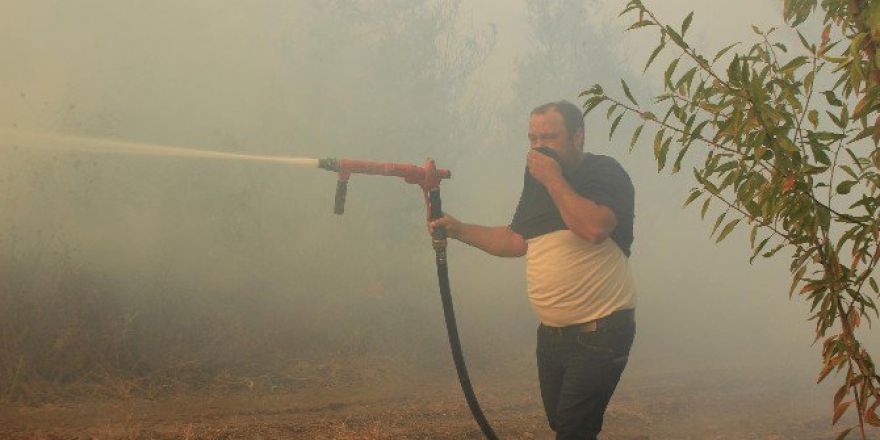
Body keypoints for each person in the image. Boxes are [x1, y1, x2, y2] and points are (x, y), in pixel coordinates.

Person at [429, 100, 636, 439]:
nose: (539, 147)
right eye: (532, 138)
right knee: (562, 422)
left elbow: (594, 229)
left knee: (572, 431)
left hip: (602, 331)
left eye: (549, 137)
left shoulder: (604, 172)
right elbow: (516, 241)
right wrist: (457, 229)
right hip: (552, 335)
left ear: (577, 137)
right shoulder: (537, 181)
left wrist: (554, 181)